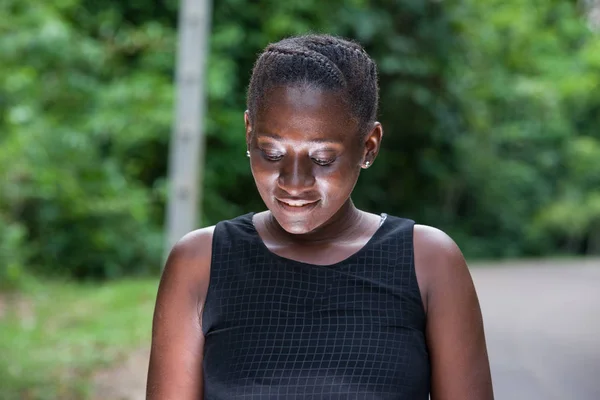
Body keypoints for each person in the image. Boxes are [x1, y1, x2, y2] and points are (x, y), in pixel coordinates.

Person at [146, 34, 494, 400]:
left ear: (369, 146)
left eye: (323, 158)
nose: (294, 183)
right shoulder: (200, 263)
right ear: (249, 134)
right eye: (272, 153)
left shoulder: (429, 262)